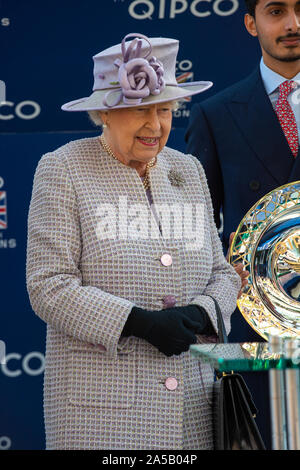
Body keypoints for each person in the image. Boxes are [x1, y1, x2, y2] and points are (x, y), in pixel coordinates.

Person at [26, 33, 240, 450]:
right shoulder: (64, 168)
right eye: (141, 110)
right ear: (104, 114)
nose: (156, 125)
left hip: (191, 415)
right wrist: (139, 323)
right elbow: (48, 285)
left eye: (165, 110)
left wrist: (204, 311)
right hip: (101, 420)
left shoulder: (189, 170)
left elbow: (220, 271)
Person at [185, 0, 300, 448]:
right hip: (256, 327)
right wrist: (226, 262)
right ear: (251, 23)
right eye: (276, 11)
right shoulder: (215, 115)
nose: (293, 24)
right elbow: (195, 228)